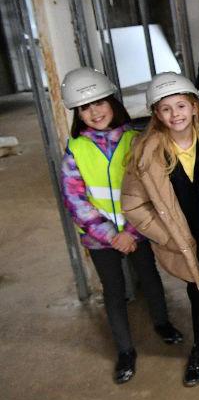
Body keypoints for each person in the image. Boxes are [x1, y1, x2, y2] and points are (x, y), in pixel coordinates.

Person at [59, 68, 182, 384]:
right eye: (85, 108)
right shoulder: (76, 150)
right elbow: (75, 200)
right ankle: (125, 351)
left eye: (99, 102)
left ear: (113, 102)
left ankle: (162, 324)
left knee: (150, 277)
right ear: (77, 113)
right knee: (114, 292)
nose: (94, 112)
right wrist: (112, 235)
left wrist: (131, 232)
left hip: (136, 231)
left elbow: (150, 192)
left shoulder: (135, 141)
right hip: (101, 239)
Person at [122, 73, 199, 388]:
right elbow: (133, 205)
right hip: (181, 236)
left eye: (180, 106)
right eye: (166, 109)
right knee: (197, 286)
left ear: (194, 107)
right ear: (156, 114)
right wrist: (166, 237)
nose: (175, 114)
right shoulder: (147, 153)